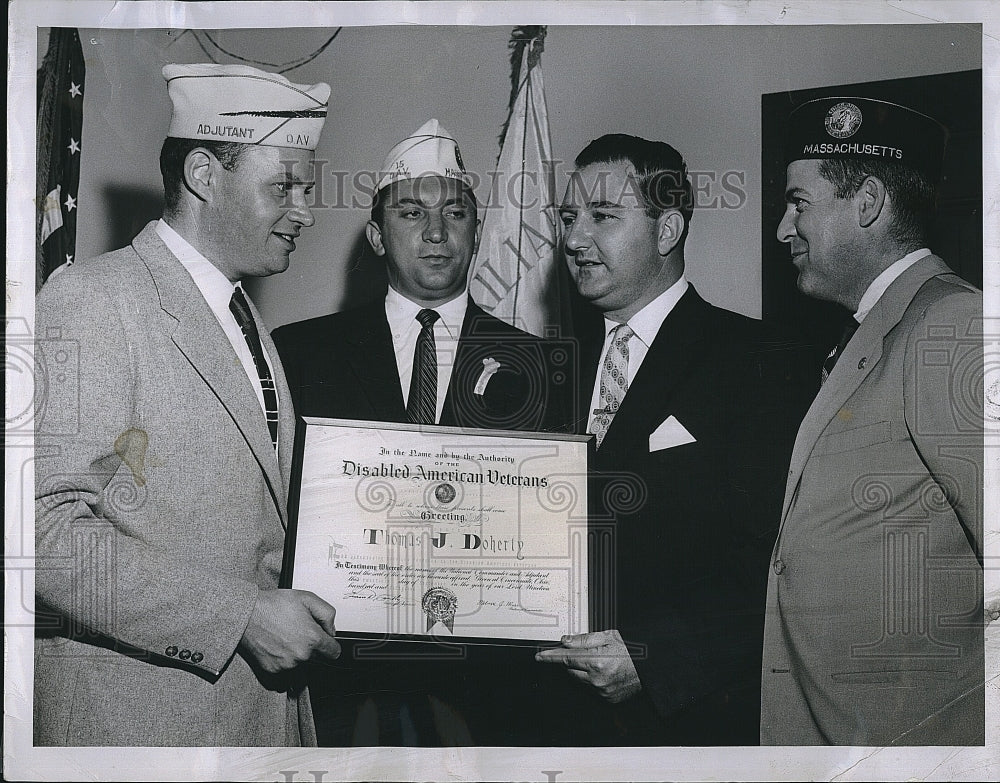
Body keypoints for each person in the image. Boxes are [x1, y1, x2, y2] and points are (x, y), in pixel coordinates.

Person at [33, 63, 341, 746]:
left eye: (307, 188)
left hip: (251, 727)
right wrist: (239, 617)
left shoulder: (245, 320)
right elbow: (38, 534)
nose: (306, 210)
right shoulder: (92, 301)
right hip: (139, 733)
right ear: (204, 173)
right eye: (283, 186)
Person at [272, 119, 569, 745]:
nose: (436, 233)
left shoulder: (540, 366)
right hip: (336, 682)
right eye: (412, 213)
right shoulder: (300, 353)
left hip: (484, 693)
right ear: (377, 236)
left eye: (455, 213)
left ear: (477, 231)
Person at [535, 133, 807, 745]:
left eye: (604, 216)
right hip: (554, 721)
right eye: (570, 218)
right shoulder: (549, 367)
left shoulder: (757, 360)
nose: (575, 240)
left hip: (687, 723)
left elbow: (774, 560)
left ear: (666, 231)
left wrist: (654, 656)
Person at [760, 96, 984, 745]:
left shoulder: (952, 325)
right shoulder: (879, 328)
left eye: (798, 202)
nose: (782, 227)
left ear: (867, 204)